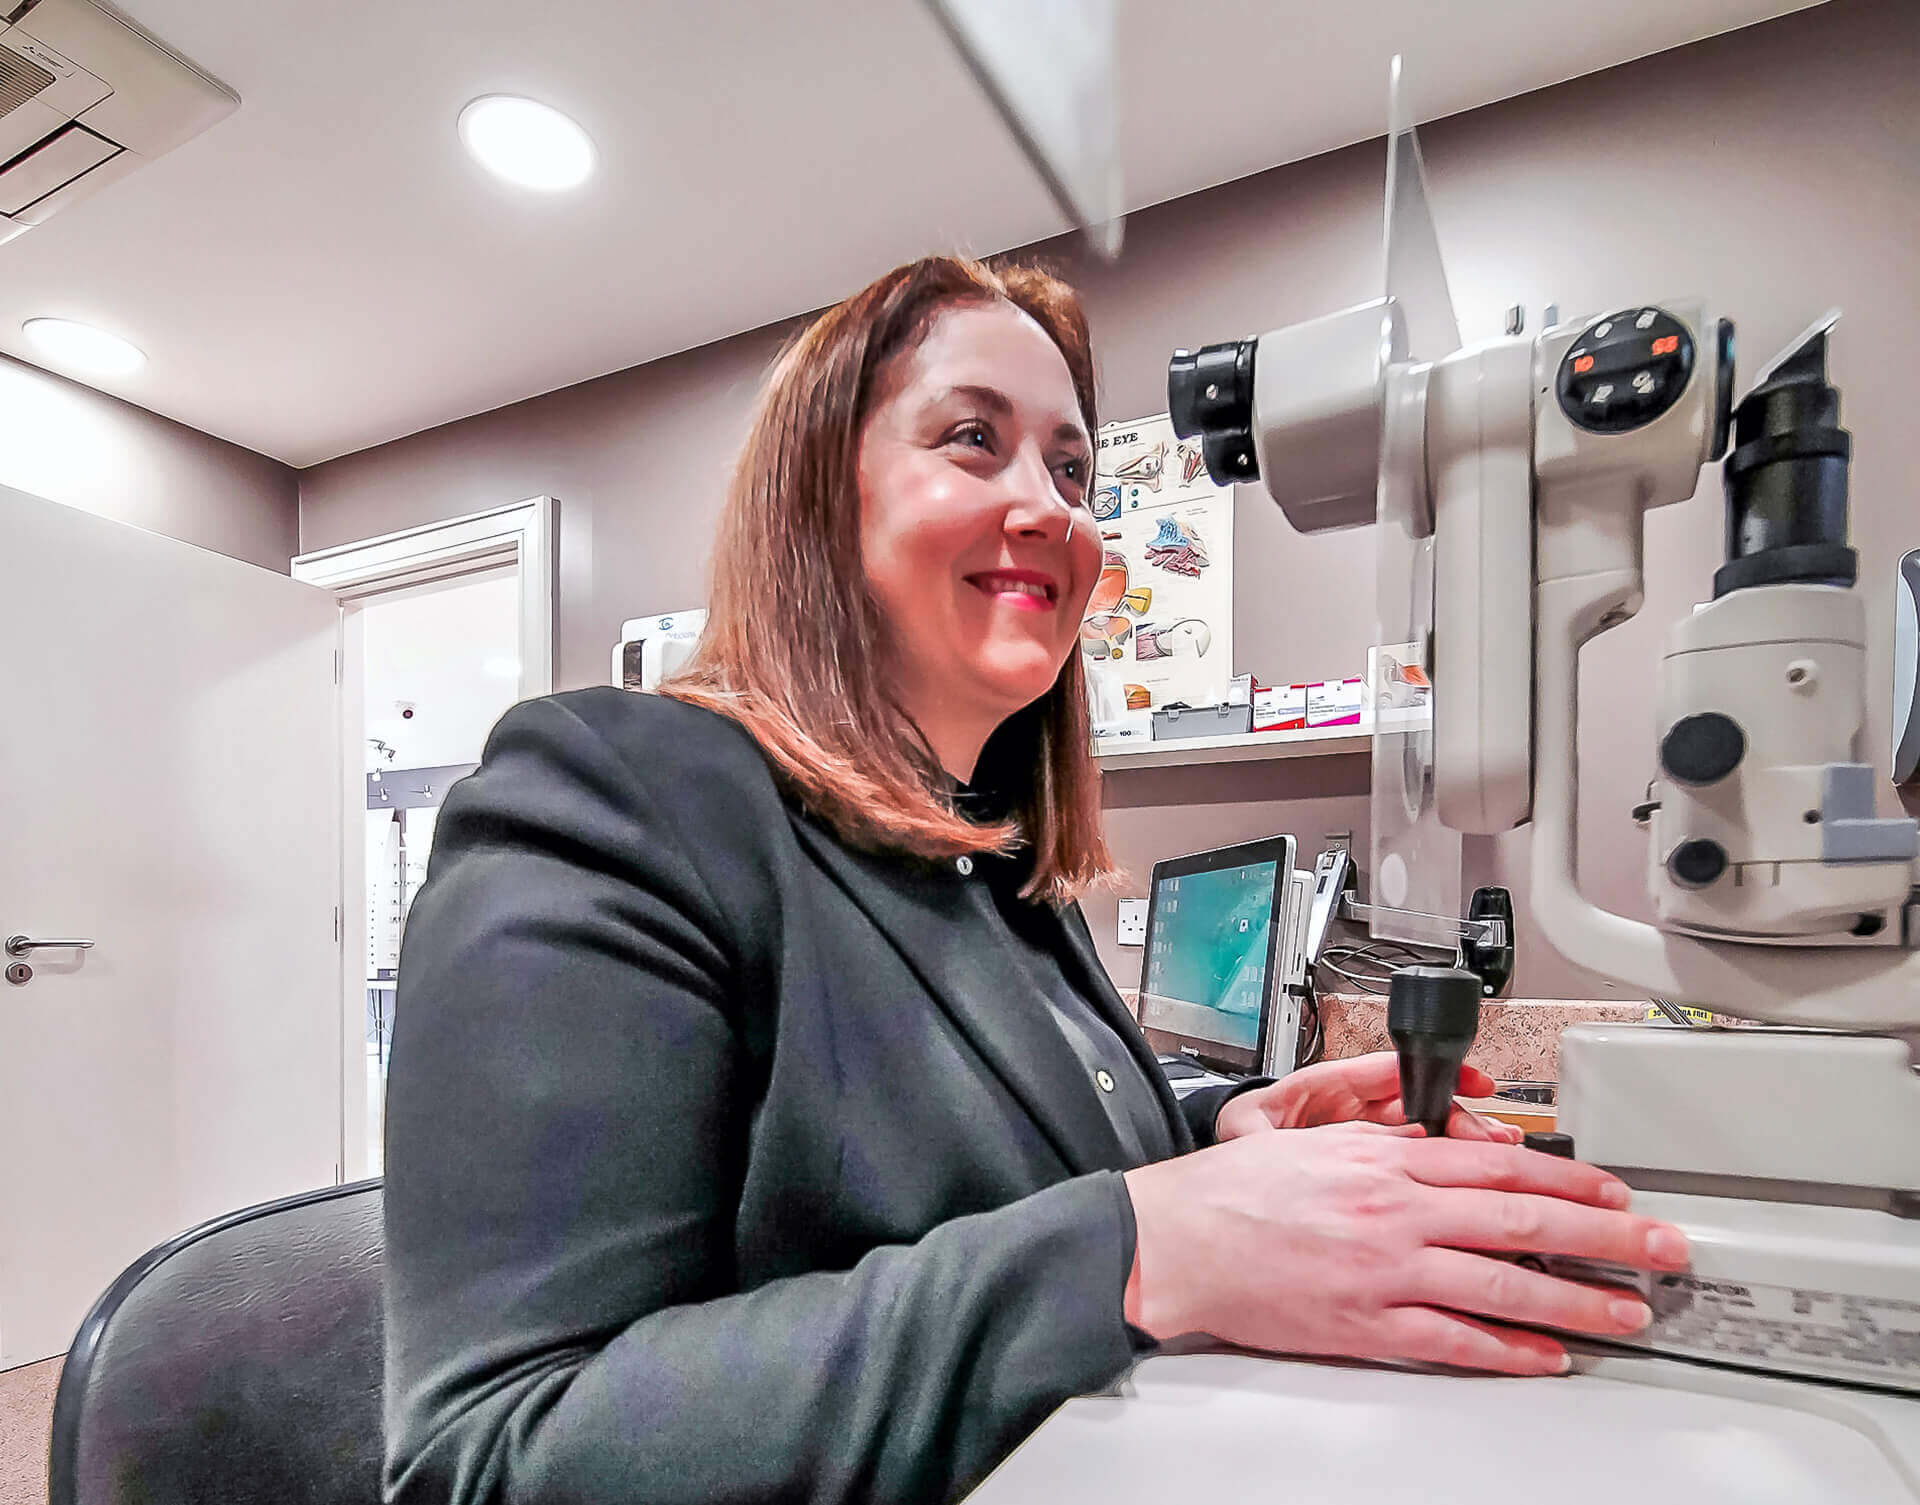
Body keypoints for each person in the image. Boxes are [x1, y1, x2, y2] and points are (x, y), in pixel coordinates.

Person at [382, 255, 1690, 1505]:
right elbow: (502, 1453)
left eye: (1073, 469)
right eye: (973, 439)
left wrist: (1222, 1134)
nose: (1054, 508)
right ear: (818, 498)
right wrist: (1150, 1245)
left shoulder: (994, 862)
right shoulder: (615, 792)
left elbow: (994, 1163)